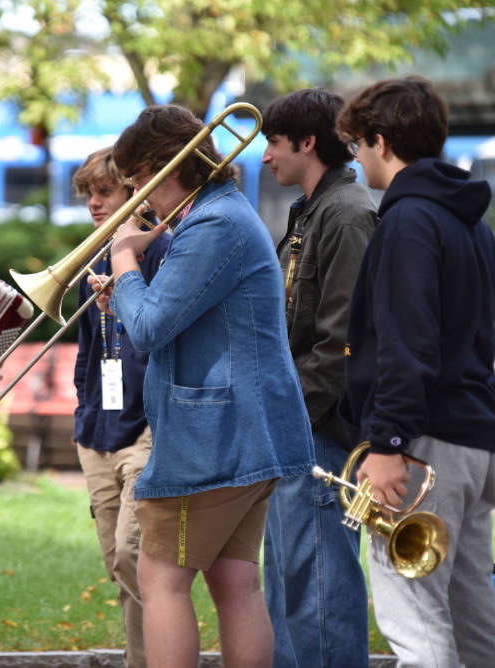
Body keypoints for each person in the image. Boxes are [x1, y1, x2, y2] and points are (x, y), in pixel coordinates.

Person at [93, 104, 314, 668]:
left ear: (167, 166)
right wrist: (124, 289)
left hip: (211, 439)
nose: (137, 196)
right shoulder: (219, 216)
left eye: (138, 180)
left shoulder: (212, 224)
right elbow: (170, 317)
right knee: (234, 580)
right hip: (245, 433)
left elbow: (148, 328)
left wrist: (122, 260)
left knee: (160, 577)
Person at [337, 75, 495, 668]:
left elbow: (407, 344)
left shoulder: (408, 222)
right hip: (475, 439)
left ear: (380, 141)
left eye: (357, 145)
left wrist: (389, 442)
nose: (356, 158)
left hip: (421, 447)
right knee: (472, 611)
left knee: (416, 618)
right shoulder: (473, 225)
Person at [259, 89, 377, 668]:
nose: (264, 157)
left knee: (320, 593)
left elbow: (340, 347)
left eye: (272, 143)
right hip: (296, 429)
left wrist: (286, 416)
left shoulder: (350, 213)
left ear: (307, 142)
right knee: (288, 590)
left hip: (317, 431)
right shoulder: (314, 210)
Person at [71, 147, 169, 668]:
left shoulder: (161, 251)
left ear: (133, 191)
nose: (92, 203)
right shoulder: (92, 255)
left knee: (138, 559)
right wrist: (85, 408)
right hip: (98, 431)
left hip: (146, 430)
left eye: (103, 192)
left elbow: (160, 338)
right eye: (88, 193)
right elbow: (91, 349)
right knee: (118, 565)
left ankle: (170, 651)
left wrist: (123, 302)